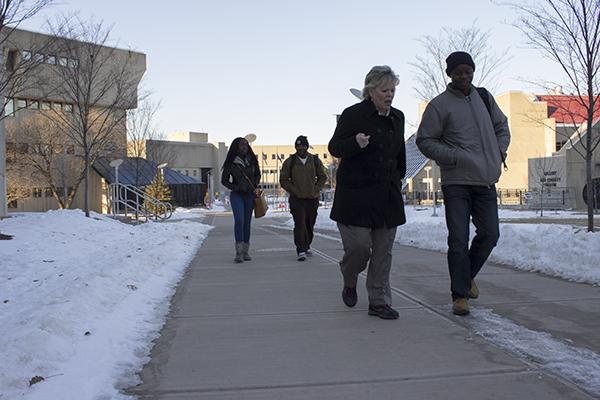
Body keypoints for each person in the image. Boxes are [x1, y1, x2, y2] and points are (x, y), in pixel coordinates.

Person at [416, 51, 510, 316]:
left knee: (490, 235)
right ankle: (460, 297)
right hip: (456, 182)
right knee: (458, 239)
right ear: (449, 74)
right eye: (458, 72)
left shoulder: (484, 97)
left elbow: (502, 127)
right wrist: (454, 157)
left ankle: (465, 277)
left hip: (485, 181)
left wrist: (499, 152)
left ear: (472, 72)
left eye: (467, 71)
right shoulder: (439, 105)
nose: (463, 76)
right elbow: (424, 140)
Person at [328, 65, 406, 320]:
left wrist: (399, 177)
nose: (390, 95)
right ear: (370, 90)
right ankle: (349, 277)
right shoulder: (353, 115)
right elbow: (334, 147)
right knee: (360, 248)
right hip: (356, 196)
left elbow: (399, 153)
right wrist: (355, 143)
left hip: (387, 195)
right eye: (384, 90)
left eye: (392, 90)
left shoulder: (398, 117)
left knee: (383, 253)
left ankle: (378, 302)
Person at [279, 135, 328, 261]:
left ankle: (307, 245)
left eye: (303, 146)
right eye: (298, 146)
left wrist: (316, 188)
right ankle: (300, 249)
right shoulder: (290, 162)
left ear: (307, 147)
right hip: (297, 199)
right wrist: (294, 190)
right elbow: (283, 180)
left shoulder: (315, 160)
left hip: (312, 198)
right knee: (300, 223)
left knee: (309, 224)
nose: (301, 148)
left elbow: (322, 176)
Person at [221, 137, 261, 263]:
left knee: (247, 223)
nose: (244, 147)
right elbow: (224, 180)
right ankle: (238, 252)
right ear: (236, 147)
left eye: (246, 144)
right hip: (237, 195)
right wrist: (235, 187)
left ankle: (245, 251)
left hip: (249, 195)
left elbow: (258, 174)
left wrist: (254, 185)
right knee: (239, 220)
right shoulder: (231, 162)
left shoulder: (252, 160)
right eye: (241, 145)